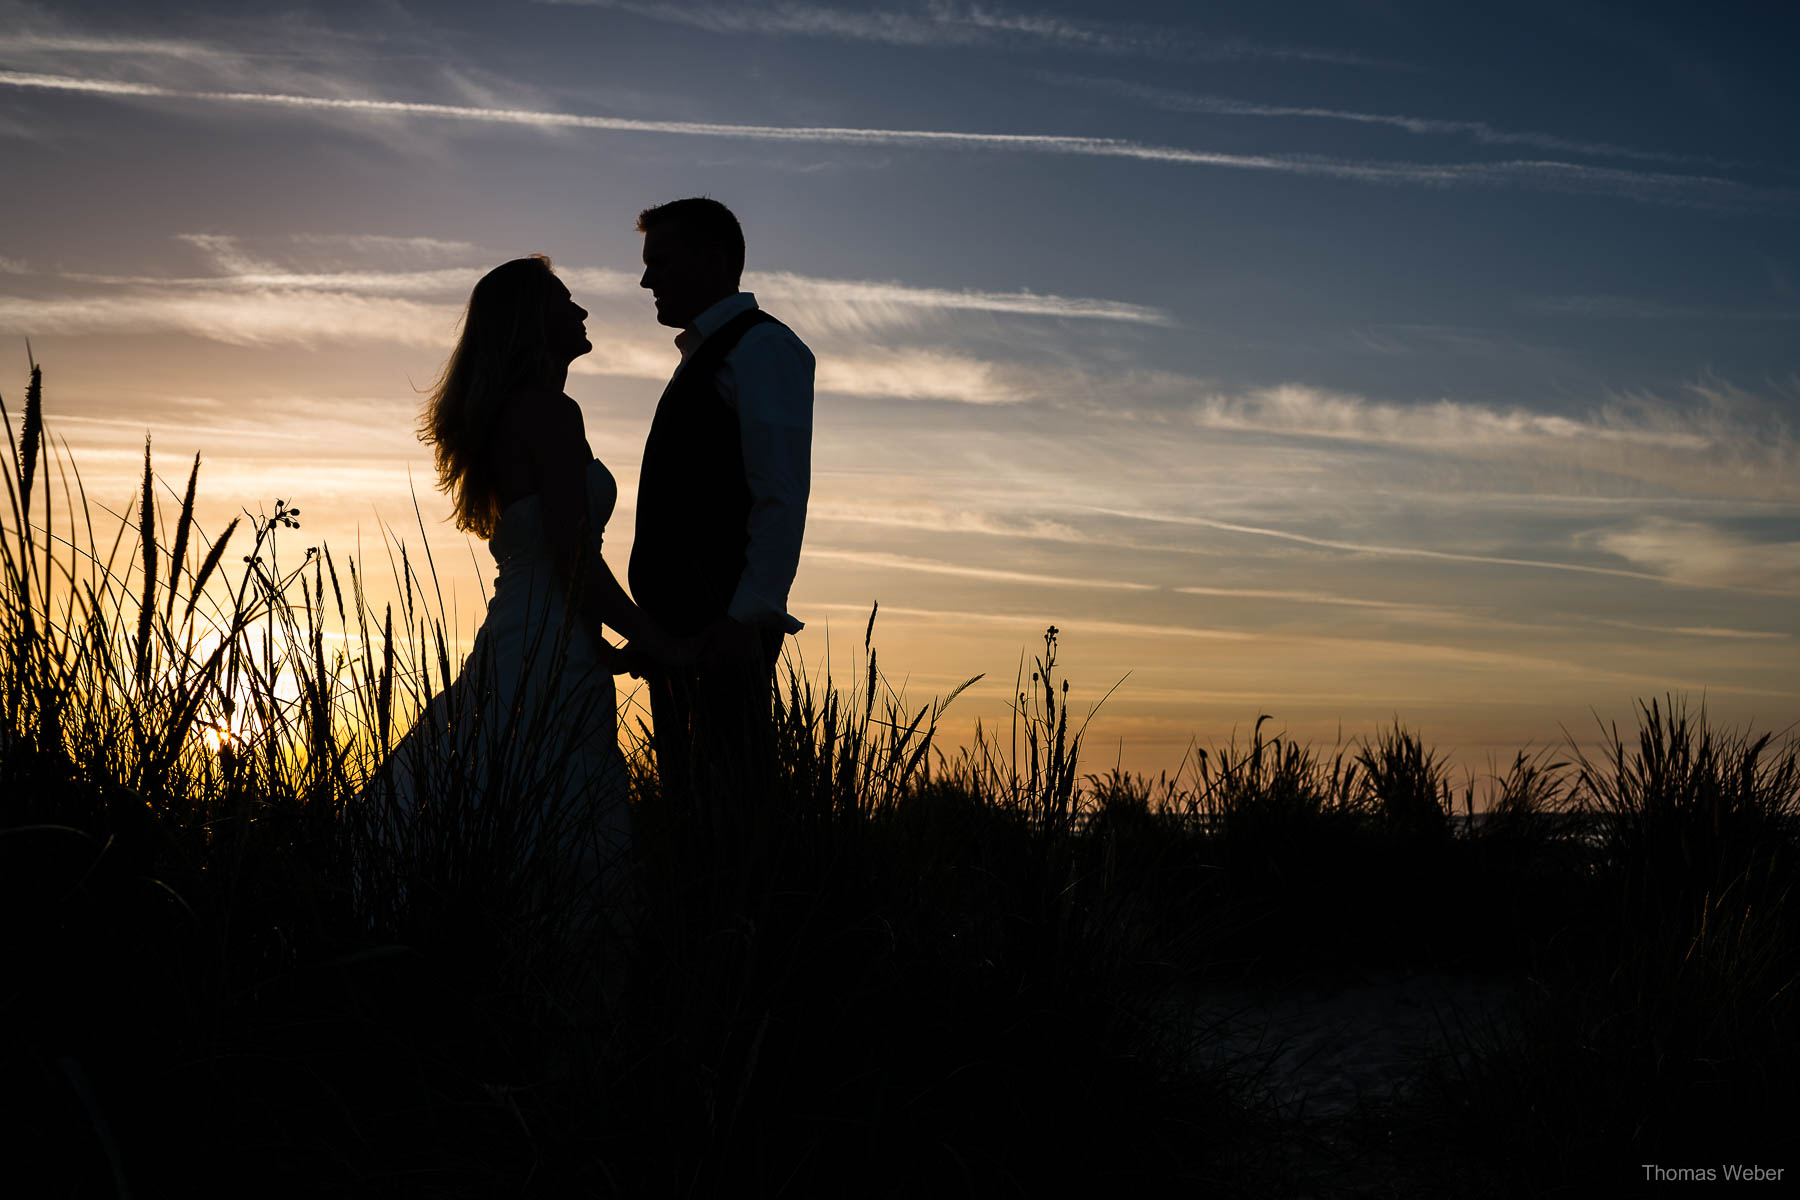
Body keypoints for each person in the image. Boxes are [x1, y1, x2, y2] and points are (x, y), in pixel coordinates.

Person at [365, 254, 683, 925]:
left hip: (532, 637)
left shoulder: (513, 414)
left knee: (503, 799)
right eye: (566, 301)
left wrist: (607, 638)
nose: (583, 311)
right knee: (563, 826)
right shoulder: (549, 412)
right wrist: (657, 639)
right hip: (551, 649)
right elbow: (572, 560)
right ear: (533, 322)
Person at [628, 198, 814, 796]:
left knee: (730, 811)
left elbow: (780, 493)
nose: (646, 279)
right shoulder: (707, 354)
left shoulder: (760, 347)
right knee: (692, 806)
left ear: (712, 259)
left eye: (660, 261)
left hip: (721, 634)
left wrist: (744, 620)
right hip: (683, 635)